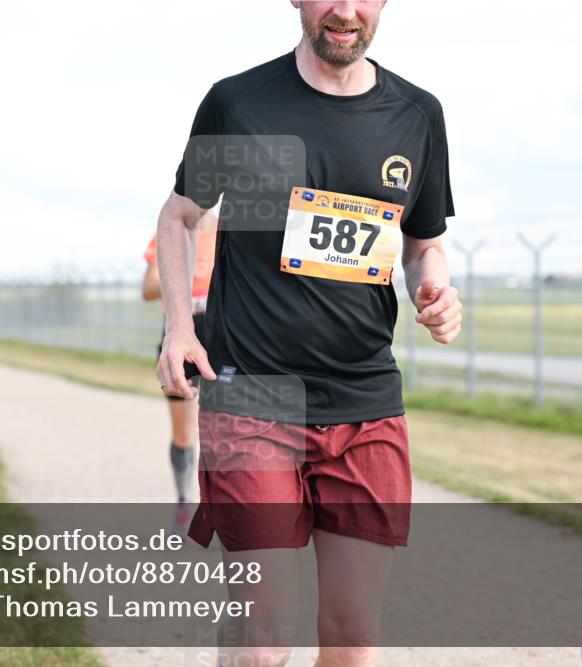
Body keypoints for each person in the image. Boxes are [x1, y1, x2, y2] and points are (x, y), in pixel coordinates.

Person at [155, 2, 460, 664]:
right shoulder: (238, 103)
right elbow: (178, 217)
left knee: (352, 638)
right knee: (262, 641)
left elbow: (423, 244)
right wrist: (179, 325)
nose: (344, 12)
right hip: (252, 394)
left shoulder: (417, 114)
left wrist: (432, 287)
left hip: (364, 403)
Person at [142, 206, 219, 534]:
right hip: (179, 329)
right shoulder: (171, 228)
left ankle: (220, 509)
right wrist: (179, 272)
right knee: (184, 431)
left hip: (220, 330)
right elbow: (147, 290)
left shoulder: (230, 228)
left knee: (227, 429)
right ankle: (185, 500)